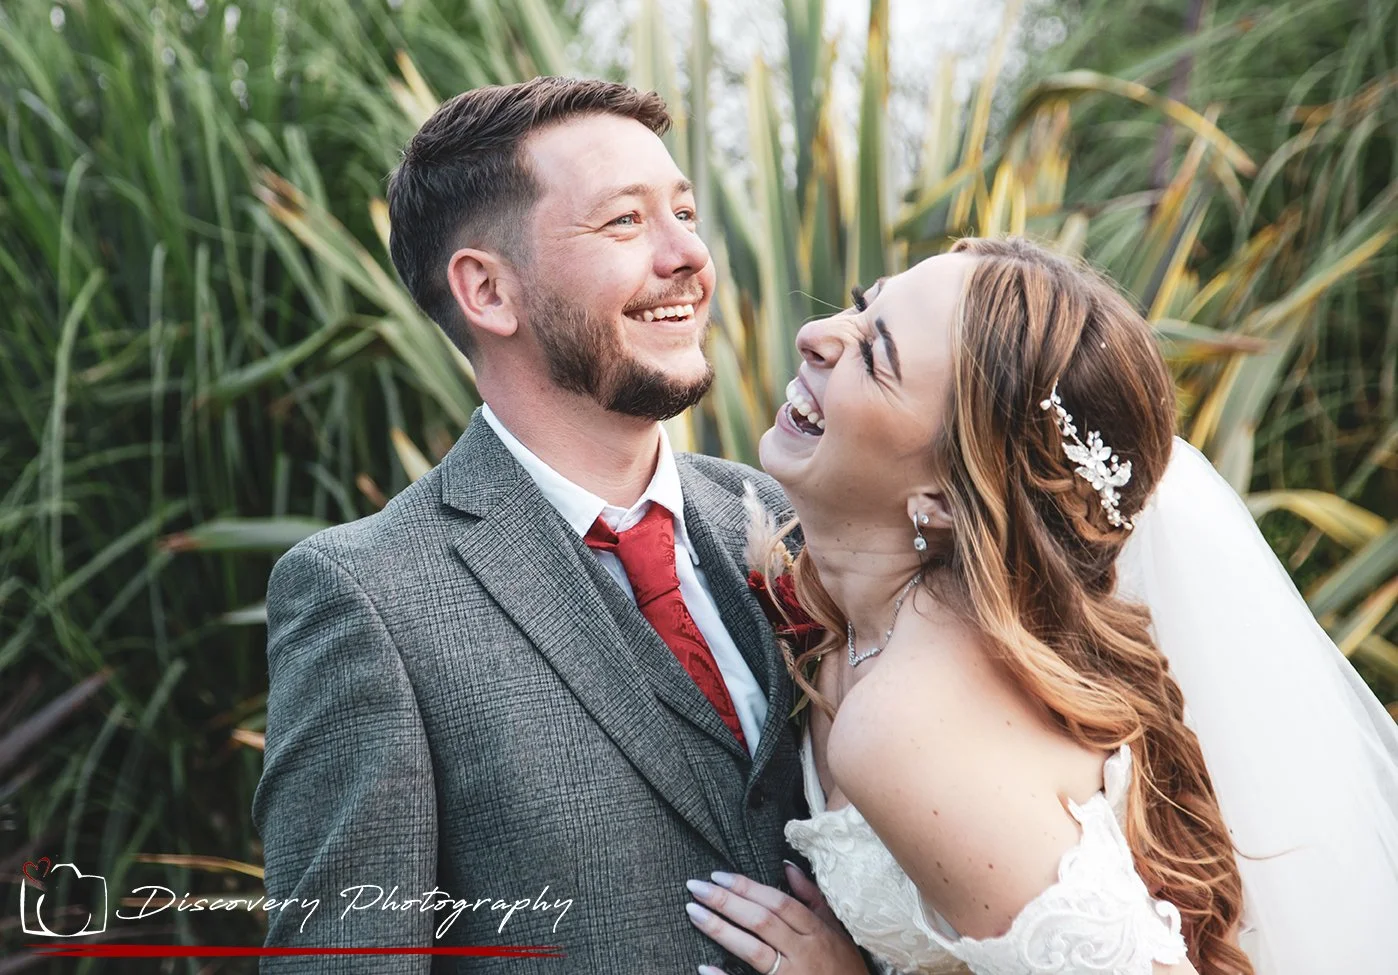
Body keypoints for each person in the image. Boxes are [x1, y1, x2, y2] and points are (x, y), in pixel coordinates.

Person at [251, 77, 869, 974]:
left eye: (684, 212)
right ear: (488, 291)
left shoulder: (783, 519)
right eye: (625, 221)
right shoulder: (369, 597)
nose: (688, 254)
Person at [684, 236, 1398, 974]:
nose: (817, 333)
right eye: (864, 305)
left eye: (875, 355)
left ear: (942, 499)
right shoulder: (859, 610)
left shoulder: (909, 725)